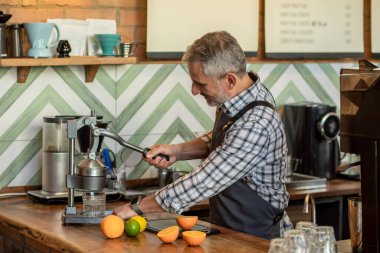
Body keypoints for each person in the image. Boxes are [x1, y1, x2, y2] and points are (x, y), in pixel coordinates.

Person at [113, 31, 293, 239]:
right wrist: (177, 152)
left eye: (201, 84)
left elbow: (205, 179)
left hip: (258, 235)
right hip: (231, 230)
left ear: (230, 80)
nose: (194, 90)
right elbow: (226, 140)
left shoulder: (257, 123)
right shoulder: (242, 96)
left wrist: (137, 208)